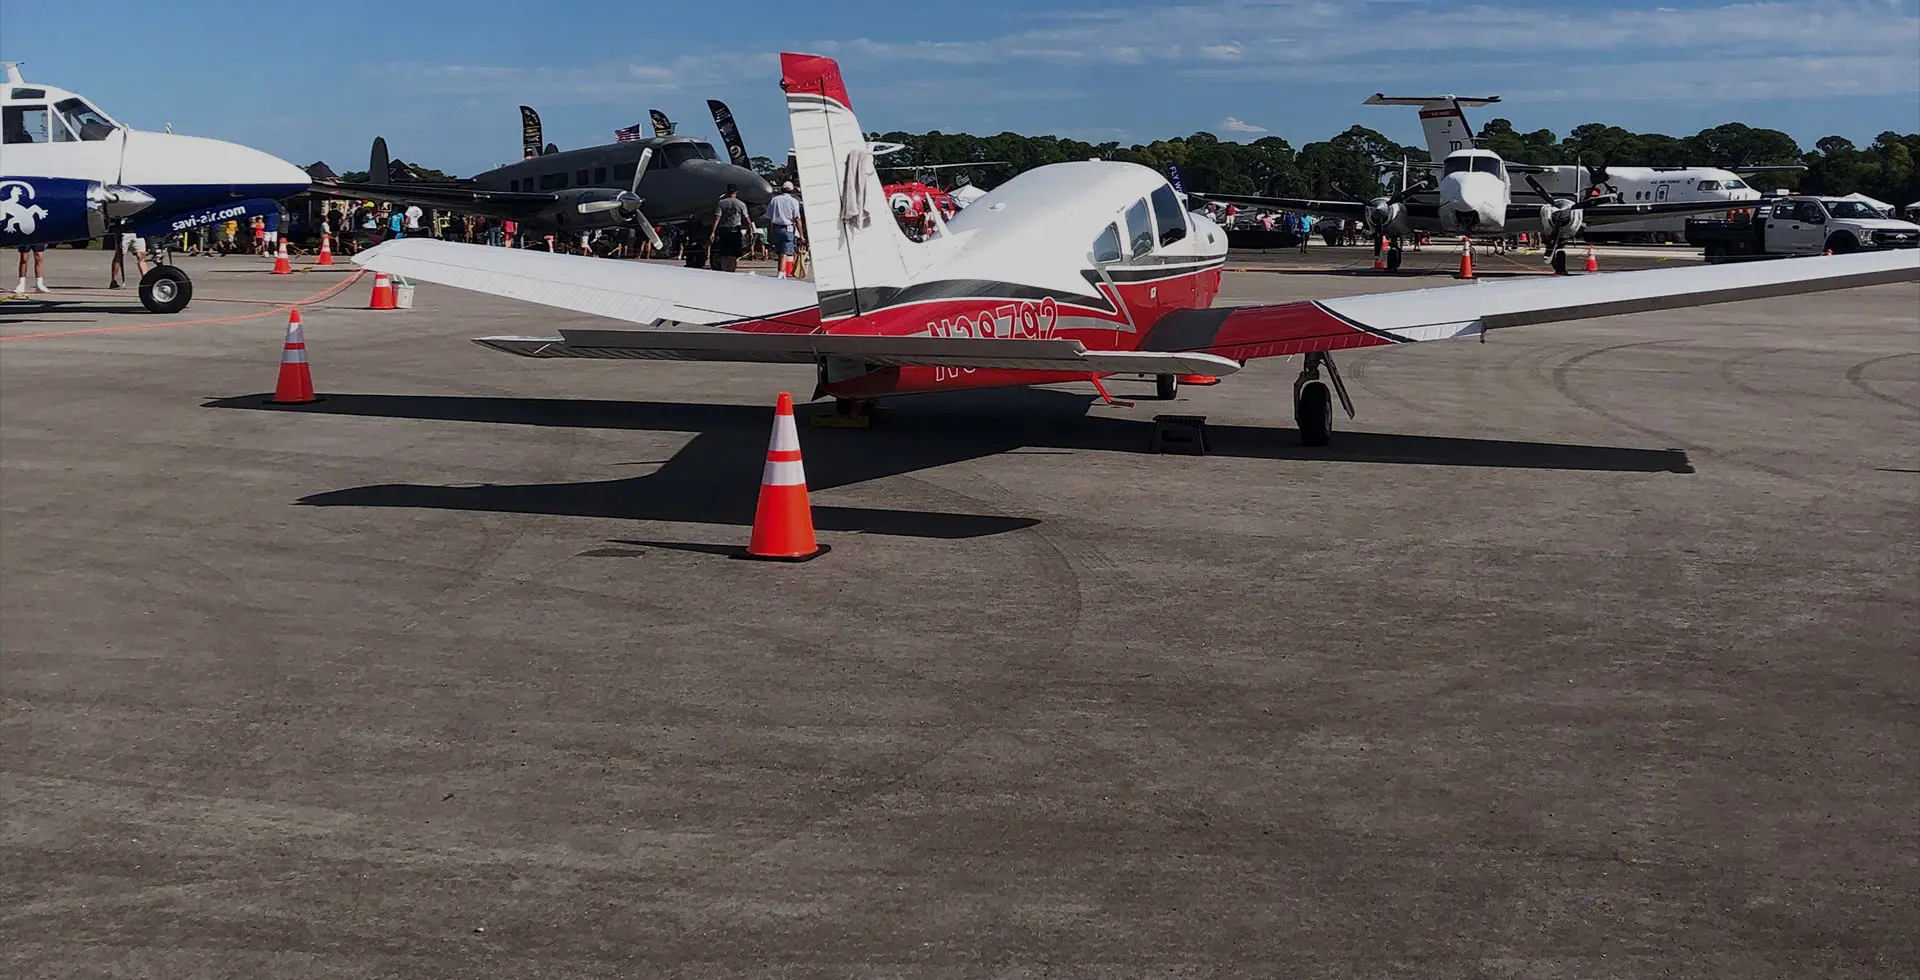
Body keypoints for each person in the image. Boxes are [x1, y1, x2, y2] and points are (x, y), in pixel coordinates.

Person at [708, 183, 750, 272]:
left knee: (724, 252)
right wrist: (749, 230)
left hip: (724, 230)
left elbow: (717, 218)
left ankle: (724, 269)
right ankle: (731, 270)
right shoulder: (741, 204)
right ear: (736, 192)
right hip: (735, 229)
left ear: (727, 192)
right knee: (733, 254)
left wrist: (713, 231)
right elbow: (747, 219)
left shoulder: (722, 203)